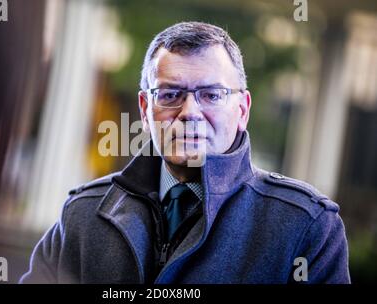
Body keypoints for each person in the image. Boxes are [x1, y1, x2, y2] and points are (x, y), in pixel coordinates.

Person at [21, 21, 350, 283]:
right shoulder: (82, 216)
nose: (190, 111)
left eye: (211, 95)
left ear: (243, 110)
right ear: (145, 109)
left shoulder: (305, 228)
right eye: (170, 94)